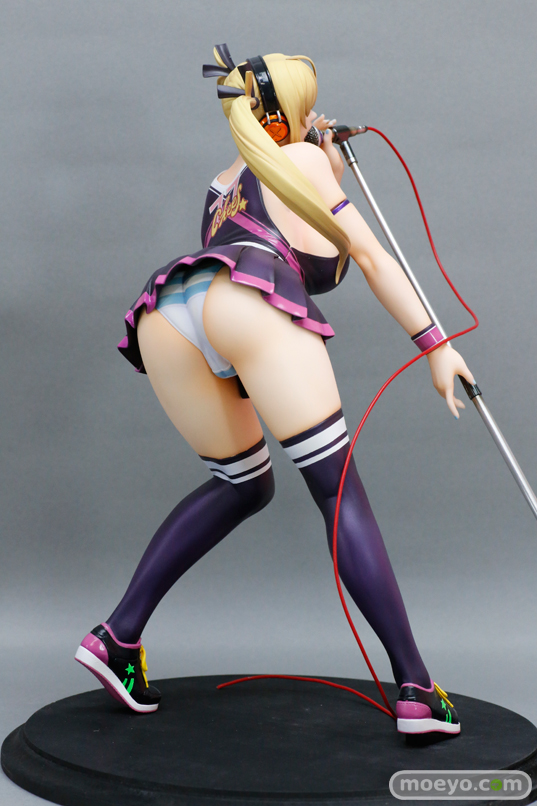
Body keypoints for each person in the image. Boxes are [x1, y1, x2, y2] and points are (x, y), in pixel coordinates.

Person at [75, 45, 473, 735]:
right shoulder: (301, 161)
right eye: (306, 107)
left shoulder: (222, 184)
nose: (316, 118)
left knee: (242, 484)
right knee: (338, 492)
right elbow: (361, 259)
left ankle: (117, 637)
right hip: (248, 304)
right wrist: (436, 344)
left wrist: (330, 168)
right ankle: (415, 687)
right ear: (283, 116)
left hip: (171, 311)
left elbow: (306, 262)